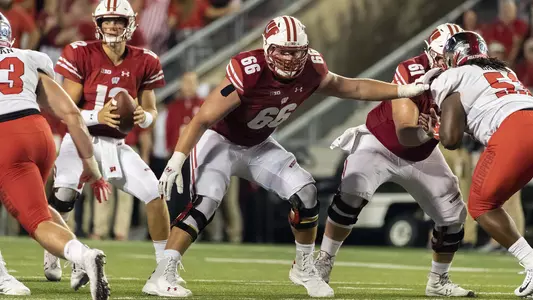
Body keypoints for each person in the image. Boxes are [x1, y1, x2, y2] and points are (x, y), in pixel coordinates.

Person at [149, 15, 435, 298]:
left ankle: (303, 266)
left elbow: (354, 87)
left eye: (295, 52)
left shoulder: (312, 68)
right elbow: (202, 119)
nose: (288, 58)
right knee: (206, 204)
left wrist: (403, 90)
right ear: (266, 48)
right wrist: (177, 160)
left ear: (305, 50)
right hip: (220, 141)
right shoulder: (249, 70)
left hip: (258, 144)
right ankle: (163, 273)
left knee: (306, 192)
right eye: (282, 51)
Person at [314, 23, 475, 297]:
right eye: (442, 59)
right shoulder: (412, 71)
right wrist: (431, 131)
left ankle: (438, 280)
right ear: (431, 55)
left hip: (422, 153)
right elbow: (404, 134)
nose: (448, 66)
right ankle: (323, 262)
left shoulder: (469, 79)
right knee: (352, 194)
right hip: (381, 144)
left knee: (453, 215)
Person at [45, 0, 169, 291]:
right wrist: (94, 115)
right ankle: (53, 251)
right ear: (98, 24)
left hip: (117, 143)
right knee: (63, 195)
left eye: (118, 21)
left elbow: (151, 110)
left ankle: (165, 269)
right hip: (79, 139)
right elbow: (66, 108)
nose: (112, 26)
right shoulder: (80, 52)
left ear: (130, 24)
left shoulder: (146, 59)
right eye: (107, 21)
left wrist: (145, 117)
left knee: (154, 192)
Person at [0, 12, 110, 300]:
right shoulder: (29, 57)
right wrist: (91, 165)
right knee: (38, 207)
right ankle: (75, 257)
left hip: (5, 136)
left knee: (35, 220)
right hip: (39, 133)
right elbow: (72, 114)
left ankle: (79, 256)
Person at [424, 30, 533, 297]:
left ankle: (531, 263)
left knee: (481, 205)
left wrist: (435, 131)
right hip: (525, 119)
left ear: (453, 57)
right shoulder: (506, 71)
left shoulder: (452, 77)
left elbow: (450, 139)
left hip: (514, 131)